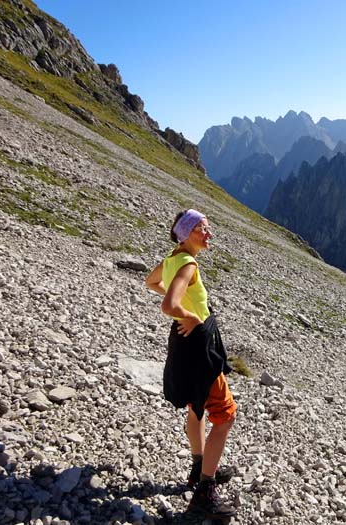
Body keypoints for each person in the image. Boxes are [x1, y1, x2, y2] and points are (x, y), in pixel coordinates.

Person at [145, 209, 237, 519]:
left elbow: (151, 281)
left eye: (208, 228)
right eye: (203, 229)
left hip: (183, 343)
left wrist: (183, 310)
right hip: (198, 346)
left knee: (196, 407)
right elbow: (167, 304)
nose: (208, 234)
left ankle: (199, 467)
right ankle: (204, 493)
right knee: (224, 417)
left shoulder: (173, 258)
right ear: (187, 234)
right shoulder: (188, 263)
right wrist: (191, 315)